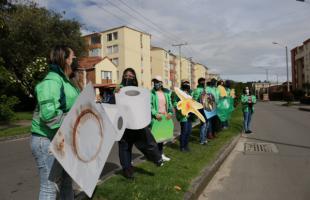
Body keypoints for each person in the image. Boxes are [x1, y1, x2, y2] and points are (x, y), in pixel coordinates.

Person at [30, 45, 80, 200]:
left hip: (59, 138)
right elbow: (49, 116)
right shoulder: (51, 81)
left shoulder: (66, 81)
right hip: (46, 140)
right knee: (49, 187)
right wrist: (75, 120)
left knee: (66, 181)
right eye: (73, 57)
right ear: (64, 59)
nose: (75, 60)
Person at [117, 68, 163, 179]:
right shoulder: (118, 90)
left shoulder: (139, 91)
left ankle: (155, 158)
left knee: (145, 142)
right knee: (125, 147)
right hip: (123, 124)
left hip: (136, 123)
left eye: (131, 76)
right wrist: (115, 93)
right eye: (126, 75)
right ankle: (127, 169)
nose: (129, 77)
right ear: (123, 76)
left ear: (135, 78)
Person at [150, 75, 173, 161]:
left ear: (161, 83)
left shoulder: (166, 92)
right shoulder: (151, 93)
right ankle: (156, 156)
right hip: (157, 117)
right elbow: (150, 105)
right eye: (154, 82)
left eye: (157, 82)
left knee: (162, 138)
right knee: (155, 138)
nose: (156, 84)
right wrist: (155, 114)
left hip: (165, 117)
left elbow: (169, 104)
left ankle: (161, 154)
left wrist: (170, 113)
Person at [173, 79, 193, 152]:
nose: (186, 84)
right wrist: (180, 107)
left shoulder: (190, 92)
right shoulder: (178, 92)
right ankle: (182, 147)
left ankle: (186, 146)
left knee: (189, 131)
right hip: (183, 115)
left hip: (190, 115)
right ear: (182, 84)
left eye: (187, 83)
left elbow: (192, 101)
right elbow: (175, 102)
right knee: (184, 131)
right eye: (185, 83)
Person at [192, 77, 208, 145]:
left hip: (206, 109)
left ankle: (204, 138)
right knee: (203, 124)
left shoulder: (205, 89)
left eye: (205, 82)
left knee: (206, 124)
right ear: (200, 82)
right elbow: (194, 100)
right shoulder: (197, 90)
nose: (204, 83)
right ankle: (202, 140)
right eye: (203, 82)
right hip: (201, 109)